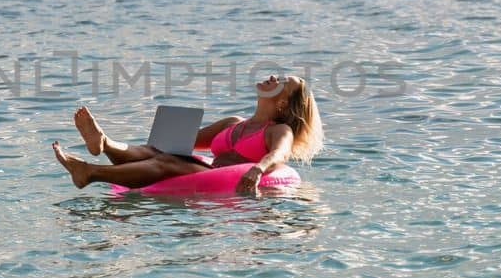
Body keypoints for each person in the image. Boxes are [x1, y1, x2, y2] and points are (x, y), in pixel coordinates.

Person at [51, 74, 323, 194]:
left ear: (284, 103)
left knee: (166, 163)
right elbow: (179, 144)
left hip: (225, 182)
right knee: (158, 152)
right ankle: (105, 143)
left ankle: (91, 172)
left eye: (283, 83)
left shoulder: (278, 130)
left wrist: (259, 169)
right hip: (204, 171)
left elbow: (280, 154)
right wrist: (167, 131)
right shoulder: (233, 122)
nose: (274, 77)